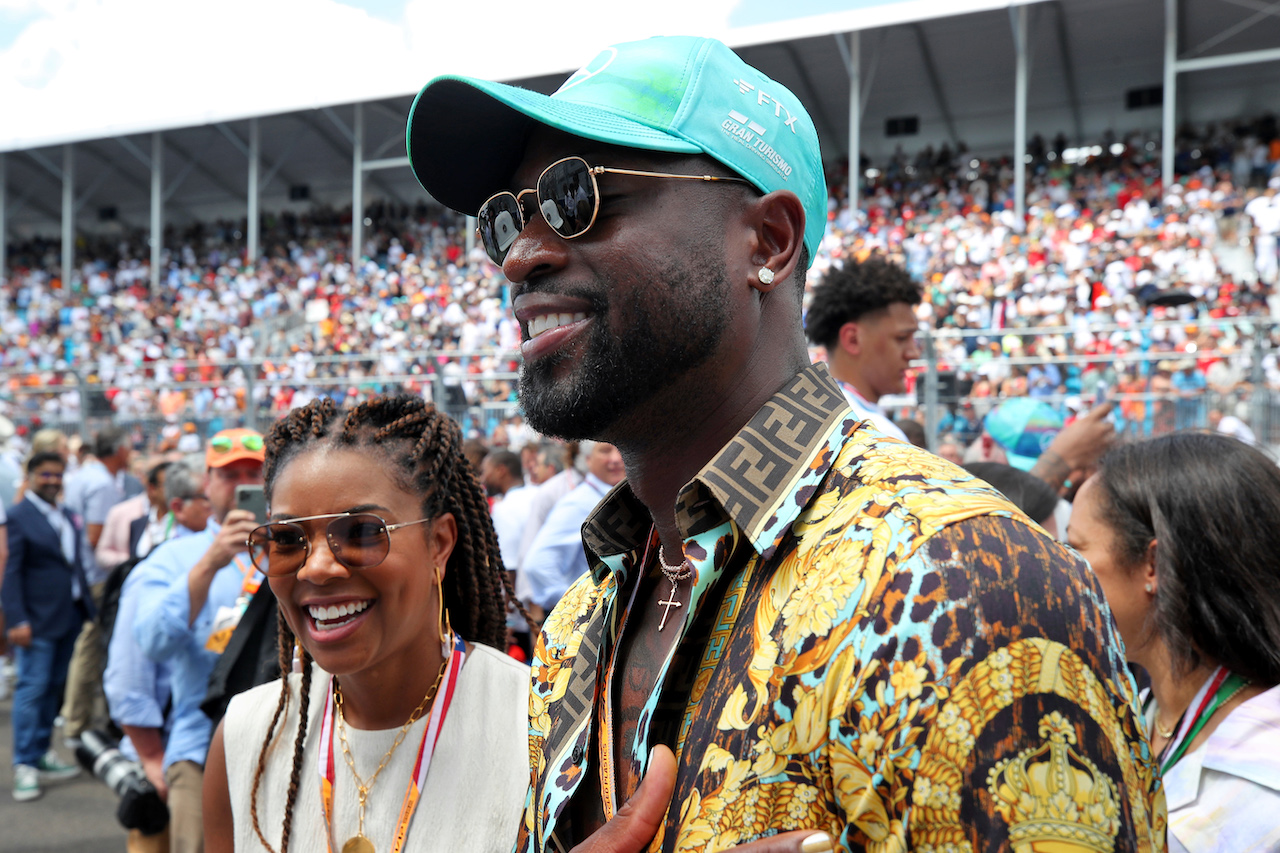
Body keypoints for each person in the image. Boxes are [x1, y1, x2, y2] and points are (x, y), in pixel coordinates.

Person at [407, 34, 1163, 853]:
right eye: (503, 220)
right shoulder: (579, 624)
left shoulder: (963, 578)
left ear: (767, 243)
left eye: (575, 196)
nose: (520, 255)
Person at [202, 396, 530, 853]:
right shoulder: (246, 737)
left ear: (438, 543)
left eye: (361, 532)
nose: (316, 568)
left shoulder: (535, 727)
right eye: (287, 538)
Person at [1067, 432, 1280, 852]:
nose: (1056, 573)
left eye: (1073, 550)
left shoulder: (1262, 779)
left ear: (1154, 565)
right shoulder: (1145, 713)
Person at [131, 428, 266, 853]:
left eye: (253, 473)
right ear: (207, 483)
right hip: (201, 741)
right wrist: (210, 563)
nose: (242, 483)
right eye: (229, 475)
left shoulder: (291, 547)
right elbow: (152, 643)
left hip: (285, 738)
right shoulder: (173, 558)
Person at [105, 461, 212, 853]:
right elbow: (127, 674)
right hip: (167, 745)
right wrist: (152, 756)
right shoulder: (164, 562)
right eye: (206, 497)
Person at [2, 451, 91, 802]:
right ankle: (24, 763)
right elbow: (10, 572)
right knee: (32, 688)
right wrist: (17, 618)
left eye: (57, 475)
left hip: (67, 615)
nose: (52, 480)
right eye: (45, 475)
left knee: (53, 687)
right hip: (35, 620)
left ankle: (40, 752)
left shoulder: (66, 514)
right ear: (31, 476)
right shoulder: (18, 517)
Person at [61, 425, 134, 745]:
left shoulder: (85, 475)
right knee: (92, 647)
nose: (131, 453)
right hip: (98, 579)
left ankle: (75, 717)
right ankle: (76, 722)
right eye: (128, 447)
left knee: (89, 646)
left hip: (81, 573)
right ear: (118, 450)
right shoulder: (102, 483)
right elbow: (95, 538)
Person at [804, 257, 923, 442]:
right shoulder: (880, 436)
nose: (913, 353)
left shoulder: (804, 413)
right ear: (853, 339)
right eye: (901, 338)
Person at [520, 441, 624, 612]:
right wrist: (583, 610)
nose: (615, 458)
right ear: (588, 459)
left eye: (620, 448)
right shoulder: (579, 503)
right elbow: (537, 565)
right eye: (605, 451)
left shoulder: (610, 497)